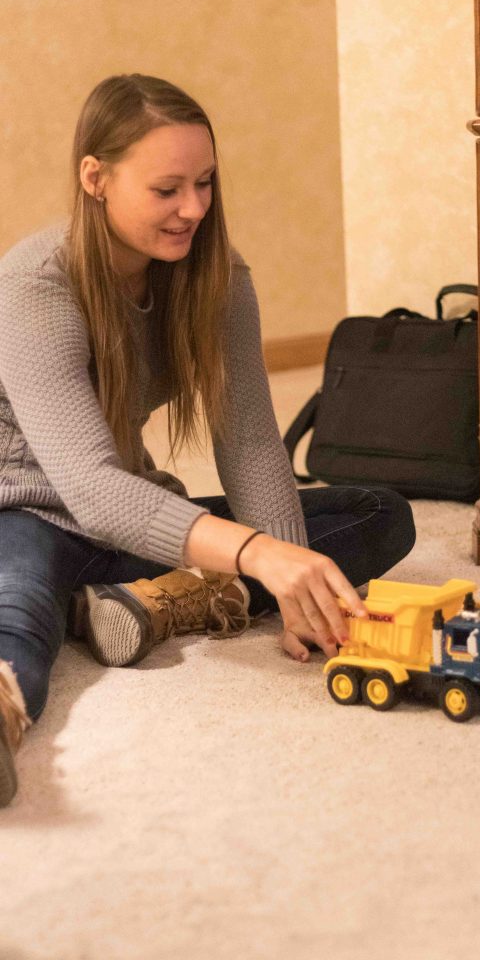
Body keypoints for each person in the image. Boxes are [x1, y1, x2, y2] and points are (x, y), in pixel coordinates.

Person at [0, 74, 416, 806]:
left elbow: (252, 444)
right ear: (94, 178)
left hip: (127, 510)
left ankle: (151, 601)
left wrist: (290, 577)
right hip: (23, 510)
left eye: (205, 183)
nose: (193, 208)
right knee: (18, 609)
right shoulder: (34, 284)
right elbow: (89, 490)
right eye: (167, 190)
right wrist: (257, 558)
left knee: (378, 515)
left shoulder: (218, 281)